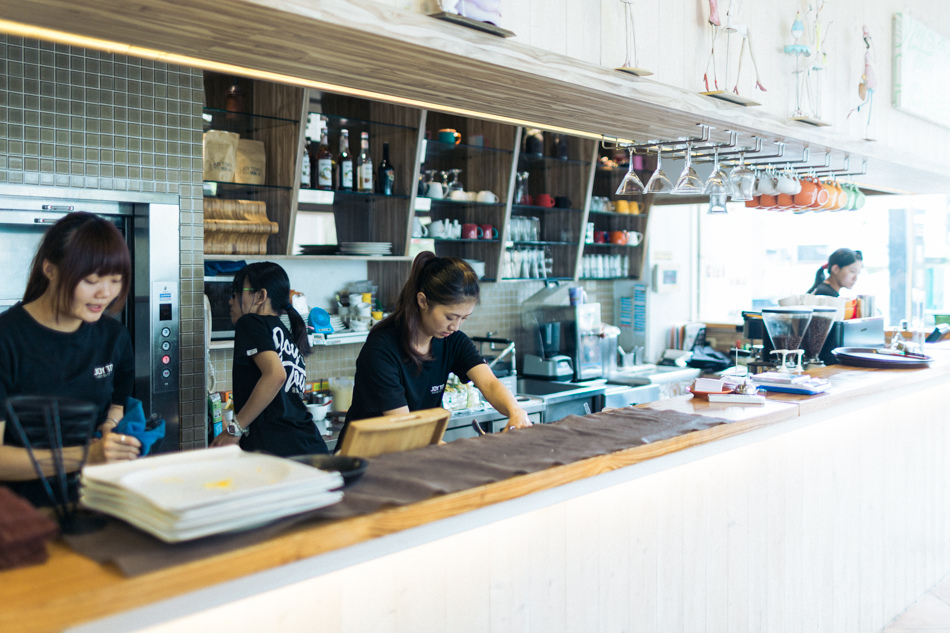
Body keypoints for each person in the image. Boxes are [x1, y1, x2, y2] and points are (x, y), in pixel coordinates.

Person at [0, 212, 140, 505]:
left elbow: (117, 400)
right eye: (91, 280)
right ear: (49, 269)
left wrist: (110, 428)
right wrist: (85, 456)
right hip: (22, 515)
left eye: (115, 280)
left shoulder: (113, 337)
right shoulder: (7, 339)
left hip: (95, 504)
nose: (105, 294)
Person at [341, 252, 530, 445]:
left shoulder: (452, 340)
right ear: (423, 301)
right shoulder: (382, 349)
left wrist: (516, 411)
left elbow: (489, 383)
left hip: (411, 452)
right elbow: (404, 427)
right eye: (450, 317)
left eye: (464, 318)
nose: (456, 327)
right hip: (366, 458)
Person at [211, 262, 328, 456]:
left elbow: (275, 375)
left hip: (280, 452)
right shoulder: (284, 333)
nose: (230, 302)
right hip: (309, 446)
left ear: (261, 296)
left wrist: (235, 429)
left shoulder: (250, 322)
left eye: (236, 293)